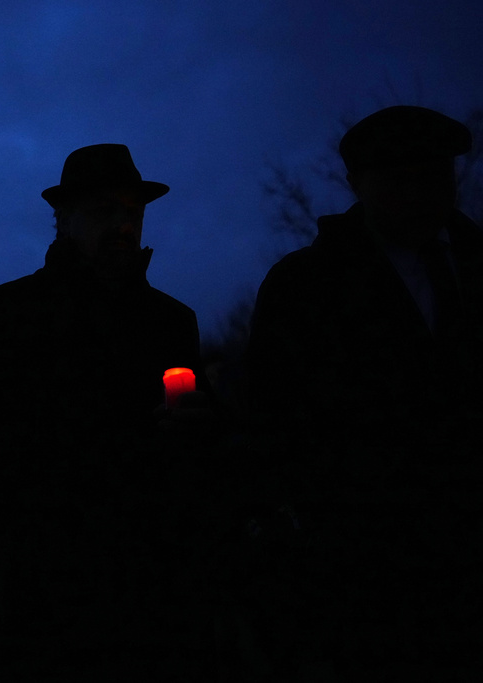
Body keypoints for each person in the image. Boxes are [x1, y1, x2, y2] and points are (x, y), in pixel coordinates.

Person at [0, 144, 217, 682]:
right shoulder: (11, 312)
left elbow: (196, 448)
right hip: (45, 581)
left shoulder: (171, 320)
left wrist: (201, 431)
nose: (123, 224)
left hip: (150, 578)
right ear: (63, 219)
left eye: (132, 211)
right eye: (104, 211)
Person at [245, 105, 483, 678]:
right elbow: (275, 423)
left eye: (434, 174)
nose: (420, 192)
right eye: (399, 177)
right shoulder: (305, 287)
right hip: (367, 576)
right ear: (360, 186)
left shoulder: (474, 264)